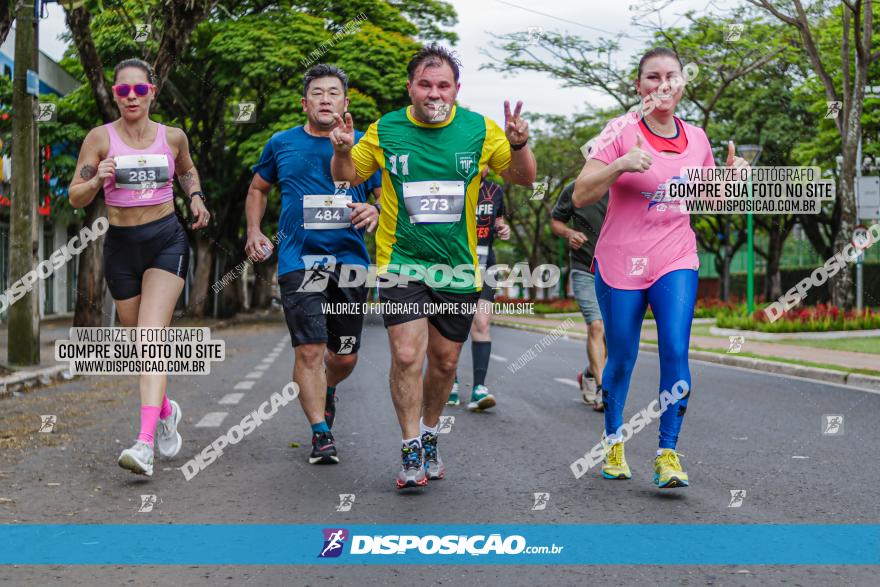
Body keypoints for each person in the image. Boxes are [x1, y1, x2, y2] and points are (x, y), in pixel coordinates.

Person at [329, 44, 536, 489]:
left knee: (444, 363)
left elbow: (523, 178)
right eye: (425, 84)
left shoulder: (479, 129)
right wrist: (344, 150)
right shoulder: (387, 129)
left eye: (443, 85)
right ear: (411, 88)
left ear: (456, 90)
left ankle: (429, 432)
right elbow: (345, 175)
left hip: (459, 268)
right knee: (407, 354)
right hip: (400, 262)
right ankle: (408, 448)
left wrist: (519, 144)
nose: (434, 93)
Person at [572, 47, 748, 488]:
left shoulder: (699, 138)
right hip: (620, 261)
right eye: (652, 77)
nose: (662, 84)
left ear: (682, 84)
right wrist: (619, 164)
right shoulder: (619, 131)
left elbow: (712, 202)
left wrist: (730, 181)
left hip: (675, 256)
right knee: (623, 357)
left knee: (675, 348)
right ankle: (613, 439)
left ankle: (667, 453)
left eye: (671, 76)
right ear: (639, 87)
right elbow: (579, 196)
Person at [68, 58, 210, 477]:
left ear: (152, 92)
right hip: (121, 247)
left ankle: (144, 444)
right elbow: (75, 195)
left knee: (151, 340)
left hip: (166, 240)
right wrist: (97, 181)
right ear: (115, 94)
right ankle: (166, 412)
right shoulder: (100, 139)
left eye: (140, 90)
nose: (132, 97)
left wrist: (197, 197)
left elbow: (186, 170)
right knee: (140, 349)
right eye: (123, 90)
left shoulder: (173, 137)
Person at [245, 64, 381, 465]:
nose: (325, 99)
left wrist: (373, 211)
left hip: (350, 261)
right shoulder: (281, 143)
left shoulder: (363, 145)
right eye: (317, 93)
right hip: (299, 260)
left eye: (333, 92)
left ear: (345, 102)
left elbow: (383, 199)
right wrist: (254, 231)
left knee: (344, 357)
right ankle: (321, 433)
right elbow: (258, 188)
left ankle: (327, 388)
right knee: (310, 351)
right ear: (304, 103)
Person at [447, 170, 510, 411]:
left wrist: (503, 230)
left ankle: (479, 389)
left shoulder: (495, 191)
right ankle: (449, 383)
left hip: (485, 264)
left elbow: (499, 222)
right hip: (451, 264)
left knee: (482, 323)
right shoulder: (452, 185)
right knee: (451, 326)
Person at [550, 181, 608, 411]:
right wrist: (570, 233)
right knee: (596, 326)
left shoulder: (622, 187)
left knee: (614, 339)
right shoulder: (575, 189)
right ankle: (604, 392)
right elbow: (556, 221)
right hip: (584, 269)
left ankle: (588, 375)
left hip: (617, 271)